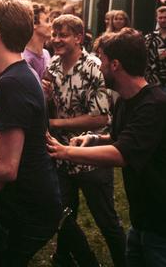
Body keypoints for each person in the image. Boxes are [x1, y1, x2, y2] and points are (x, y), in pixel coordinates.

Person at [47, 28, 166, 266]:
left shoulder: (154, 106)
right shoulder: (125, 100)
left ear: (115, 65)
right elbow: (121, 138)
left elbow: (121, 154)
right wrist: (94, 139)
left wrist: (65, 151)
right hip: (143, 223)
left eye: (102, 60)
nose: (99, 66)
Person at [0, 0, 61, 266]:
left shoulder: (13, 83)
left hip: (28, 209)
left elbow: (6, 168)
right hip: (18, 204)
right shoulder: (4, 78)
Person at [45, 15, 125, 267]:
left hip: (92, 156)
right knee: (64, 215)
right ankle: (64, 258)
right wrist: (45, 97)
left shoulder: (93, 67)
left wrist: (55, 124)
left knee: (106, 220)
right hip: (61, 156)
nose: (57, 40)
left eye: (63, 35)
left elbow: (100, 117)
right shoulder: (53, 65)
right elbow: (53, 106)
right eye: (54, 34)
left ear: (78, 38)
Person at [22, 2, 52, 79]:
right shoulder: (24, 60)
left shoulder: (46, 53)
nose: (50, 25)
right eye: (47, 21)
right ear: (34, 24)